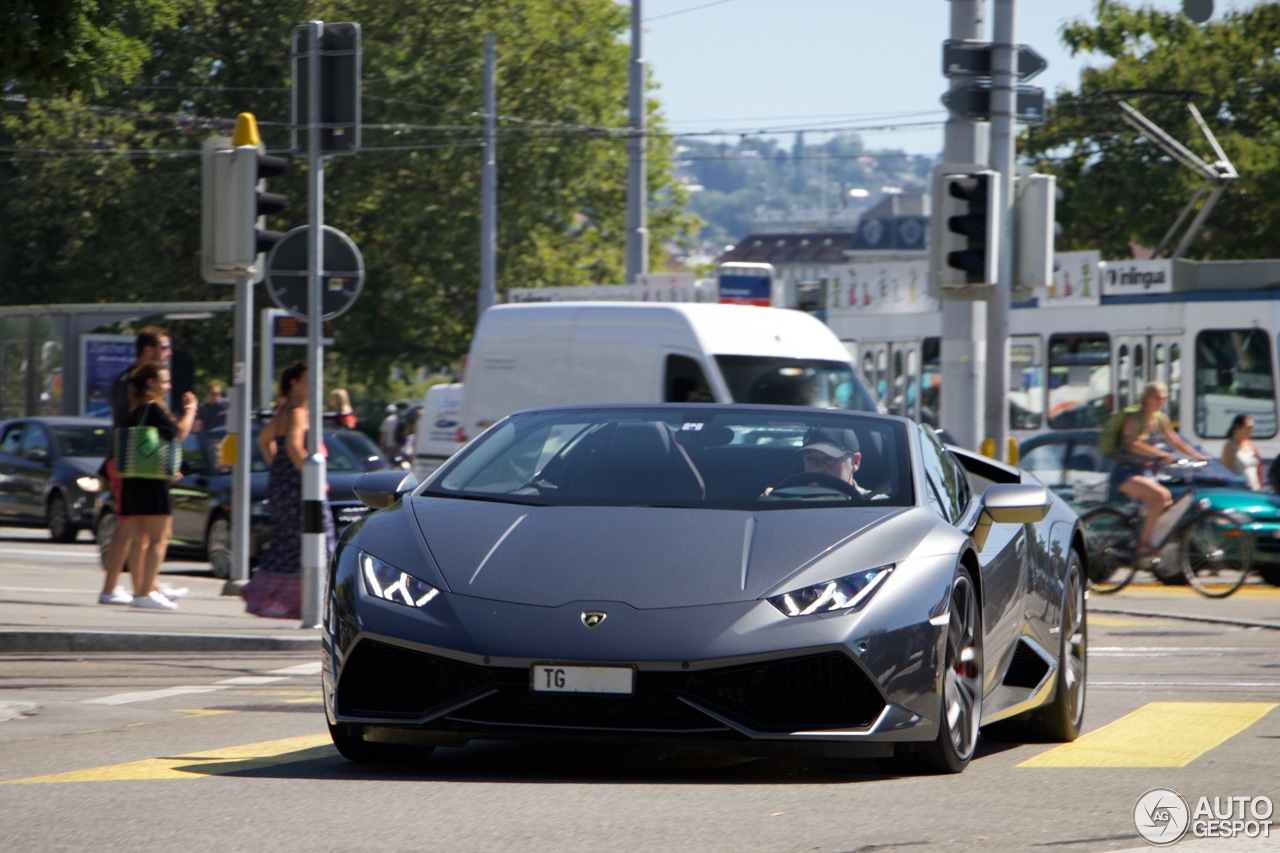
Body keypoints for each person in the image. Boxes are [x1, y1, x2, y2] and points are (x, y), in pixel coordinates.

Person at [99, 326, 189, 605]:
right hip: (129, 462)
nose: (168, 353)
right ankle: (116, 587)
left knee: (138, 531)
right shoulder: (136, 385)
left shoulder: (130, 380)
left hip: (129, 460)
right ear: (149, 351)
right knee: (132, 527)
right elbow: (158, 431)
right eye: (164, 348)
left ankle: (147, 585)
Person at [243, 361, 336, 619]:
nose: (315, 386)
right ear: (294, 382)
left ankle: (271, 595)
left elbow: (264, 440)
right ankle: (308, 602)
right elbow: (295, 448)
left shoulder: (285, 409)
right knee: (321, 541)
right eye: (309, 380)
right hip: (299, 489)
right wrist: (314, 477)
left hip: (282, 485)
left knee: (287, 542)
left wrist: (278, 466)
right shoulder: (296, 412)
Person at [118, 361, 197, 610]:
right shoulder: (153, 409)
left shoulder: (135, 409)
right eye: (163, 381)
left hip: (133, 477)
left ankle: (143, 590)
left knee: (141, 538)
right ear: (150, 383)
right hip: (152, 482)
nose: (168, 386)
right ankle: (145, 593)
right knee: (159, 537)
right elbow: (179, 433)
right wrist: (191, 410)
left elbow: (150, 448)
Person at [1110, 380, 1209, 556]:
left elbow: (1175, 440)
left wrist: (1198, 456)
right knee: (1160, 497)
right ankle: (1143, 545)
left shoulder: (1160, 418)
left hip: (1144, 472)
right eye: (1157, 397)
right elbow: (1132, 443)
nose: (1161, 401)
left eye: (1164, 398)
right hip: (1125, 472)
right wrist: (1159, 454)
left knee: (1167, 501)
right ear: (1147, 398)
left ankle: (1146, 537)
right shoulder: (1134, 419)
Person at [765, 426, 875, 498]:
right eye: (810, 459)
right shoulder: (789, 502)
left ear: (855, 461)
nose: (817, 468)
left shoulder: (876, 505)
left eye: (828, 458)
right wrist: (772, 501)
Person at [1222, 413, 1263, 491]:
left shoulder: (1250, 443)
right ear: (1238, 427)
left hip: (1255, 487)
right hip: (1240, 488)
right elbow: (1226, 471)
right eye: (1248, 427)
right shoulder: (1230, 447)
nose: (1251, 430)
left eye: (1252, 427)